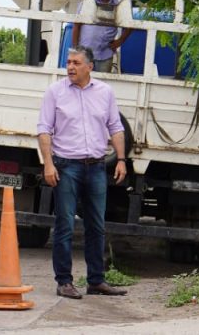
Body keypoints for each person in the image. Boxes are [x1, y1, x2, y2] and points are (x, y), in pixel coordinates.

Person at [37, 46, 128, 299]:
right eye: (68, 62)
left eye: (76, 62)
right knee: (65, 224)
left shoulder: (105, 92)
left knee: (97, 226)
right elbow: (44, 129)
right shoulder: (55, 92)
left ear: (90, 66)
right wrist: (48, 163)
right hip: (66, 166)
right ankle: (64, 281)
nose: (70, 67)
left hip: (97, 166)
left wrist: (121, 159)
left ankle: (96, 281)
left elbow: (115, 127)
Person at [72, 0, 133, 73]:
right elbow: (76, 26)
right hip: (84, 54)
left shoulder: (118, 6)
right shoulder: (87, 3)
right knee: (83, 84)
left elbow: (130, 26)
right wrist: (75, 49)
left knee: (101, 86)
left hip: (105, 55)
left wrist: (119, 41)